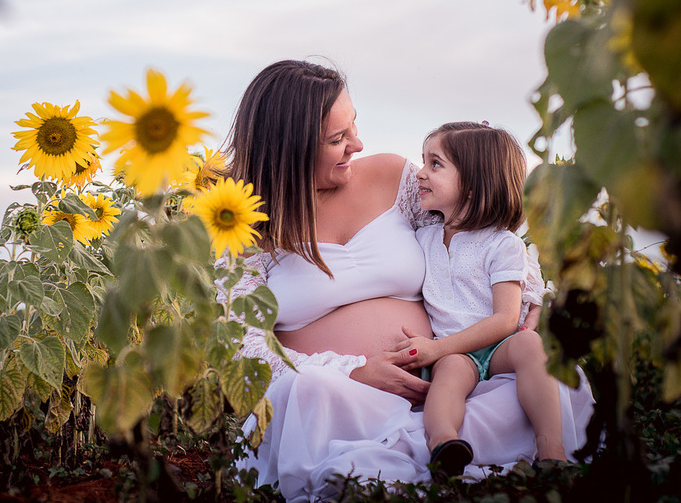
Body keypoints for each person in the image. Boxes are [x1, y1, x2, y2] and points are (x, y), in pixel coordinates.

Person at [216, 60, 593, 501]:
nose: (357, 144)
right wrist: (355, 372)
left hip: (447, 382)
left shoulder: (392, 178)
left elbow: (473, 223)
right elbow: (245, 348)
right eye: (338, 139)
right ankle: (410, 457)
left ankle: (442, 447)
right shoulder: (241, 228)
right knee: (307, 393)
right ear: (288, 147)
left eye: (353, 124)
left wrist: (524, 292)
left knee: (542, 381)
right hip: (344, 401)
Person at [404, 122, 565, 477]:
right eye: (423, 162)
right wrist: (442, 351)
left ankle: (552, 448)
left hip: (497, 344)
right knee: (447, 378)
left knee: (530, 343)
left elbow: (506, 318)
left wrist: (436, 348)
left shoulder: (501, 244)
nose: (419, 173)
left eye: (435, 164)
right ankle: (445, 444)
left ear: (474, 186)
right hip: (454, 354)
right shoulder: (423, 238)